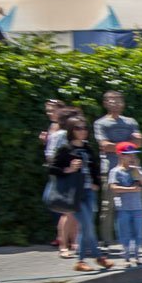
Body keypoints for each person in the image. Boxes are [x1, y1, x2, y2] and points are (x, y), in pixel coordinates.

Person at [48, 114, 113, 272]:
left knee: (87, 225)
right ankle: (95, 258)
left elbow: (95, 168)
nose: (82, 131)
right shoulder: (66, 149)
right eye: (78, 128)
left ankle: (84, 261)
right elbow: (52, 169)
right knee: (87, 225)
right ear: (71, 130)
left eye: (84, 128)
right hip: (74, 193)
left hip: (88, 192)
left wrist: (96, 183)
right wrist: (68, 169)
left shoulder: (87, 149)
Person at [93, 91, 142, 249]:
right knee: (108, 205)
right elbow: (104, 145)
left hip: (132, 168)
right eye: (111, 100)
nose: (115, 103)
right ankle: (106, 240)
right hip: (111, 168)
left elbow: (139, 142)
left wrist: (118, 146)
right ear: (105, 103)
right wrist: (128, 145)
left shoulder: (131, 122)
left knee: (139, 203)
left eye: (118, 100)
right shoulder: (100, 123)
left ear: (123, 103)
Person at [44, 105, 79, 258]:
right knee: (67, 212)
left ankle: (74, 243)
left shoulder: (72, 134)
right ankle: (64, 245)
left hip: (73, 176)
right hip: (64, 176)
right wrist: (66, 168)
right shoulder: (61, 135)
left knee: (73, 211)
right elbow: (51, 157)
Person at [108, 141, 142, 266]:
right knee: (124, 232)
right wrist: (130, 189)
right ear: (121, 156)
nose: (132, 157)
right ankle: (126, 257)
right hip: (123, 208)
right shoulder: (115, 171)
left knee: (138, 233)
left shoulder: (137, 170)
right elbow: (114, 188)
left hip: (137, 208)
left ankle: (136, 256)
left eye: (133, 155)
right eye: (128, 155)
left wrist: (136, 169)